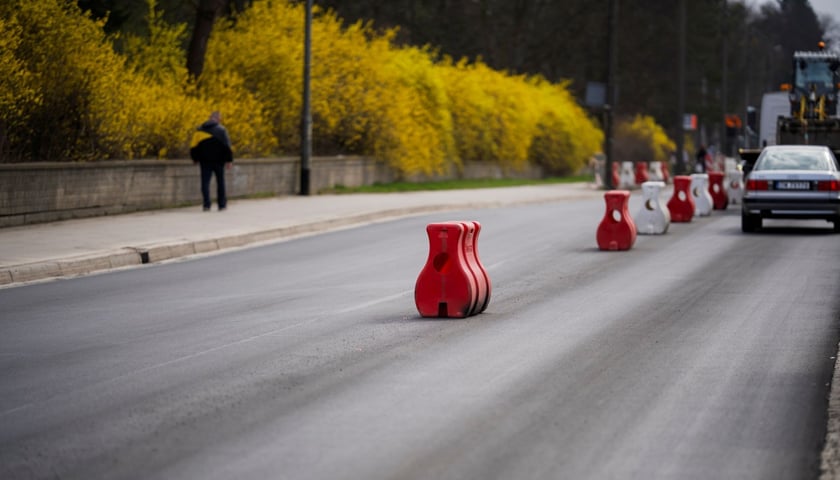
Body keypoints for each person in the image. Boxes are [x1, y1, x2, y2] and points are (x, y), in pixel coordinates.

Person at [190, 111, 233, 211]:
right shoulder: (222, 130)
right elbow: (227, 146)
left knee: (205, 183)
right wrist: (229, 160)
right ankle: (221, 205)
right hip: (219, 161)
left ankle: (206, 205)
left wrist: (195, 158)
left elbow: (193, 146)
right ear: (218, 119)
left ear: (210, 118)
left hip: (205, 161)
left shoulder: (199, 130)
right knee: (220, 183)